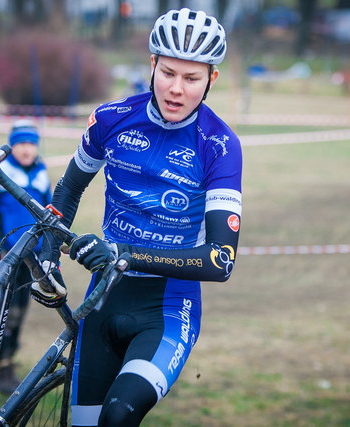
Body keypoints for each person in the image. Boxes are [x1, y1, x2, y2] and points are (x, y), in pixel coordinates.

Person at [34, 8, 242, 426]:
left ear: (211, 79)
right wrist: (48, 253)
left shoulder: (219, 145)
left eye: (192, 78)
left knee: (116, 417)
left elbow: (221, 260)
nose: (176, 89)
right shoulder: (111, 119)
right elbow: (70, 188)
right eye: (168, 73)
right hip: (103, 301)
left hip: (167, 310)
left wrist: (123, 252)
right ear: (151, 65)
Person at [0, 119, 53, 394]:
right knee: (1, 313)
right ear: (11, 145)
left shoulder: (41, 172)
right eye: (20, 143)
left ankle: (6, 365)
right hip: (5, 258)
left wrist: (47, 249)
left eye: (31, 143)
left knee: (19, 312)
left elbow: (49, 214)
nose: (26, 149)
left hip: (32, 260)